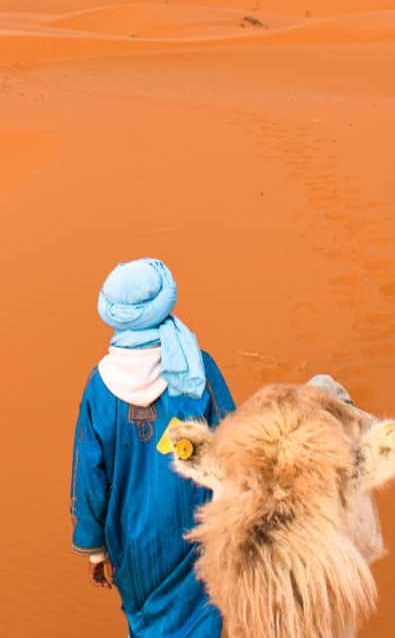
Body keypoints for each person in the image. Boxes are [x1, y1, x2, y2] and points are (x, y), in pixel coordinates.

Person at [70, 258, 236, 638]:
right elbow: (234, 440)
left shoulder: (99, 385)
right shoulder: (197, 369)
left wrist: (94, 547)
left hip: (132, 541)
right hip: (198, 529)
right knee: (202, 621)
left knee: (146, 625)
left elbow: (90, 475)